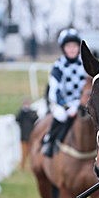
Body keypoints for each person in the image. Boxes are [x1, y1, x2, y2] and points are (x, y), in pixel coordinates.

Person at [41, 28, 87, 158]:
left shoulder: (85, 64)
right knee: (61, 115)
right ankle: (50, 141)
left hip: (82, 102)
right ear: (63, 48)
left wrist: (78, 104)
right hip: (62, 103)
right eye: (68, 46)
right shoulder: (58, 66)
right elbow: (54, 91)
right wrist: (67, 107)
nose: (72, 49)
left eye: (74, 46)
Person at [15, 98, 38, 170]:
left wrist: (28, 111)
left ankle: (32, 166)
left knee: (32, 152)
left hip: (31, 136)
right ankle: (22, 167)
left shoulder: (32, 112)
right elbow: (17, 119)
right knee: (24, 153)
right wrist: (23, 111)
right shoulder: (22, 113)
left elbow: (35, 118)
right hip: (24, 136)